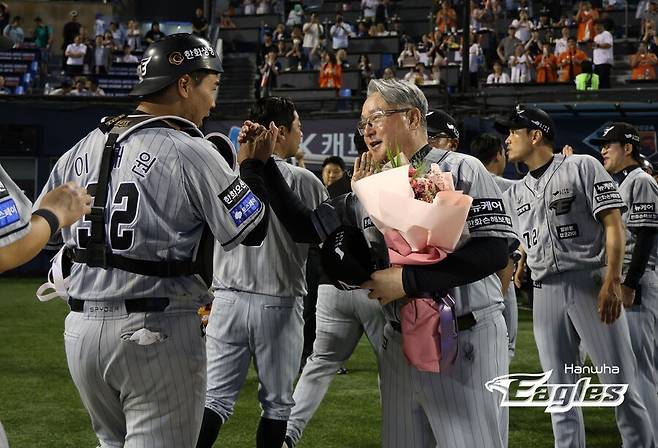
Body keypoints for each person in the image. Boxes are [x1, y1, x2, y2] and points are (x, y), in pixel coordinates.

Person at [36, 33, 277, 448]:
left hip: (79, 332)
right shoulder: (189, 148)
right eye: (211, 87)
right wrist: (252, 168)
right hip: (153, 330)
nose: (213, 102)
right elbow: (251, 228)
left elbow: (42, 223)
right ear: (184, 84)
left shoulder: (81, 146)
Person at [260, 78, 514, 448]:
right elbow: (305, 226)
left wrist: (407, 280)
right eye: (362, 124)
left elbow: (493, 251)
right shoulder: (367, 184)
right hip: (398, 342)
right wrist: (263, 163)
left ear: (412, 117)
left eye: (375, 118)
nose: (366, 131)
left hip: (465, 337)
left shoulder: (462, 169)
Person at [496, 106, 656, 448]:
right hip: (545, 294)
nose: (507, 139)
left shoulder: (581, 166)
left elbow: (614, 224)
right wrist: (522, 261)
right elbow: (521, 239)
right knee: (559, 396)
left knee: (620, 386)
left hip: (590, 283)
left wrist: (613, 281)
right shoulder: (514, 192)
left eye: (513, 131)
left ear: (535, 135)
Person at [196, 96, 327, 448]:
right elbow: (320, 236)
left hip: (226, 301)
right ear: (279, 132)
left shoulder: (226, 174)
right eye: (297, 126)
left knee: (213, 400)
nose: (301, 132)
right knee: (277, 405)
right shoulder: (304, 180)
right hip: (279, 303)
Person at [594, 122, 658, 434]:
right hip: (630, 278)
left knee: (640, 370)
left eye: (610, 144)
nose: (603, 150)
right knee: (631, 369)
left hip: (638, 279)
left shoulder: (640, 180)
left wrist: (629, 283)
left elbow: (646, 235)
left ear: (628, 148)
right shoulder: (622, 181)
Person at [593, 19, 614, 88]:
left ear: (602, 26)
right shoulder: (596, 37)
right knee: (599, 83)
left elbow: (608, 45)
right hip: (597, 62)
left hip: (604, 62)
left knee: (604, 82)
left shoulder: (606, 34)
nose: (596, 27)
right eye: (595, 26)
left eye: (598, 26)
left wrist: (598, 45)